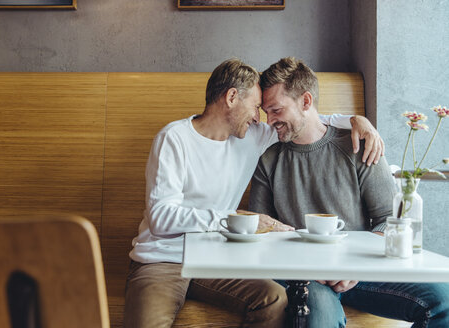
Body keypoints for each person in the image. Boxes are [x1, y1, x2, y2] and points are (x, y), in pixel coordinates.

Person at [124, 58, 384, 328]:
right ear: (232, 97)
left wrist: (358, 121)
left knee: (274, 300)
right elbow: (161, 219)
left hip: (215, 259)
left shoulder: (252, 135)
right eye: (256, 107)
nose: (260, 118)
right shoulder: (174, 138)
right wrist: (233, 218)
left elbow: (310, 121)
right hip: (162, 260)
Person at [249, 56, 449, 328]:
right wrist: (304, 263)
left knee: (443, 300)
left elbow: (388, 221)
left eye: (276, 110)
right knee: (318, 319)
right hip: (303, 274)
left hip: (361, 270)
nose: (269, 120)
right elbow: (259, 232)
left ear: (306, 102)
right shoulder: (268, 161)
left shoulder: (360, 148)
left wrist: (354, 267)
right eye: (266, 112)